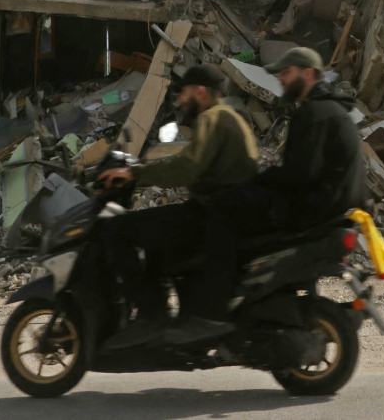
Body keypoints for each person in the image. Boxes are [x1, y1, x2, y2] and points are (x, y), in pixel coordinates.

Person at [168, 45, 365, 346]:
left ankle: (213, 311)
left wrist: (258, 181)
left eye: (286, 72)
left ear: (308, 74)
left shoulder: (312, 113)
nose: (281, 79)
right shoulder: (336, 109)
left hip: (312, 208)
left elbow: (299, 174)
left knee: (221, 209)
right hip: (332, 205)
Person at [95, 63, 257, 348]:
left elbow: (187, 167)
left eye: (183, 93)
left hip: (212, 214)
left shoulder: (212, 118)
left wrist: (135, 173)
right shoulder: (232, 116)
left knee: (118, 230)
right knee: (156, 235)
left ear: (200, 92)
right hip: (228, 214)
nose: (180, 100)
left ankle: (151, 314)